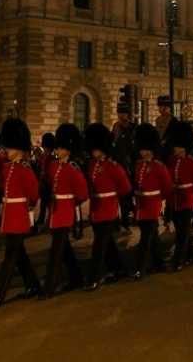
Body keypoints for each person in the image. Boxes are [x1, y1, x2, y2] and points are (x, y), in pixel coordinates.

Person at [0, 117, 41, 306]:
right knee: (19, 255)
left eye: (9, 148)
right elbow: (3, 187)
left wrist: (29, 207)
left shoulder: (24, 169)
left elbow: (33, 193)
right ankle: (33, 285)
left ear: (18, 148)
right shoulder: (7, 167)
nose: (6, 151)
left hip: (18, 216)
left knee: (10, 255)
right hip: (9, 215)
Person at [41, 123, 88, 298]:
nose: (58, 151)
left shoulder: (73, 168)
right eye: (58, 147)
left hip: (65, 212)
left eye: (62, 148)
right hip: (55, 211)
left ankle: (50, 286)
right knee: (64, 248)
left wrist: (71, 204)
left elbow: (82, 194)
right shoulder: (53, 166)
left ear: (68, 149)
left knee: (55, 251)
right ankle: (76, 277)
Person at [82, 123, 131, 290]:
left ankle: (94, 277)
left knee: (99, 246)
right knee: (107, 243)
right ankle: (118, 268)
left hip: (108, 209)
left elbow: (125, 188)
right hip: (96, 209)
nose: (93, 151)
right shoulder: (92, 164)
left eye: (96, 148)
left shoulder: (113, 166)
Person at [131, 123, 172, 278]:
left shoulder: (159, 166)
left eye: (147, 149)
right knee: (152, 234)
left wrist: (160, 201)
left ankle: (140, 268)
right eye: (142, 149)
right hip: (141, 204)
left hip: (152, 203)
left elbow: (167, 187)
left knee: (145, 237)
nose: (144, 152)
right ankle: (159, 262)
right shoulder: (138, 165)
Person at [165, 121, 193, 269]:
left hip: (187, 199)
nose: (175, 149)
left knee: (182, 231)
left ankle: (178, 260)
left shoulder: (192, 162)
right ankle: (191, 255)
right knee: (181, 229)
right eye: (175, 146)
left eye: (178, 146)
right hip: (174, 199)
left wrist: (191, 193)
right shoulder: (171, 161)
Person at [111, 106, 137, 231]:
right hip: (118, 163)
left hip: (129, 164)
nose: (121, 116)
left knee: (128, 194)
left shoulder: (132, 127)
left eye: (124, 113)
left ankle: (128, 217)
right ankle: (121, 219)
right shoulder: (116, 126)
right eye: (120, 113)